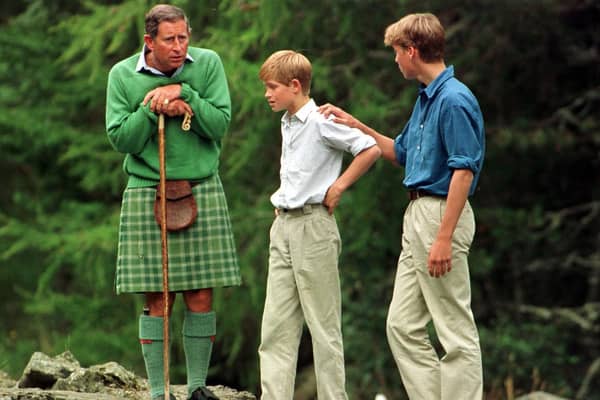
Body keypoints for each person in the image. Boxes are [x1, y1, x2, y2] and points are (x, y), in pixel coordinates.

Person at [319, 13, 485, 400]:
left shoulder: (455, 99)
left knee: (454, 328)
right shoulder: (426, 99)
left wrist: (443, 237)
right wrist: (355, 125)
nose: (395, 60)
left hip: (442, 214)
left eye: (396, 52)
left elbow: (463, 172)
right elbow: (400, 152)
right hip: (416, 217)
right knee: (402, 325)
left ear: (412, 51)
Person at [105, 4, 241, 400]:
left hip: (202, 184)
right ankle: (158, 391)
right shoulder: (122, 75)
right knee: (156, 295)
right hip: (148, 187)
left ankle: (197, 387)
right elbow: (121, 140)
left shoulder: (208, 64)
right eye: (170, 40)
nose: (180, 47)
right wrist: (153, 107)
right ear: (149, 42)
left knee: (200, 293)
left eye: (184, 37)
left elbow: (219, 124)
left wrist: (185, 93)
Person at [257, 50, 381, 399]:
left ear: (295, 86)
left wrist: (338, 186)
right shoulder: (287, 122)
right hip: (283, 227)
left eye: (272, 87)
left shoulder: (321, 120)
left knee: (323, 327)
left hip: (314, 227)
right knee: (275, 327)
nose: (267, 94)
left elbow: (369, 148)